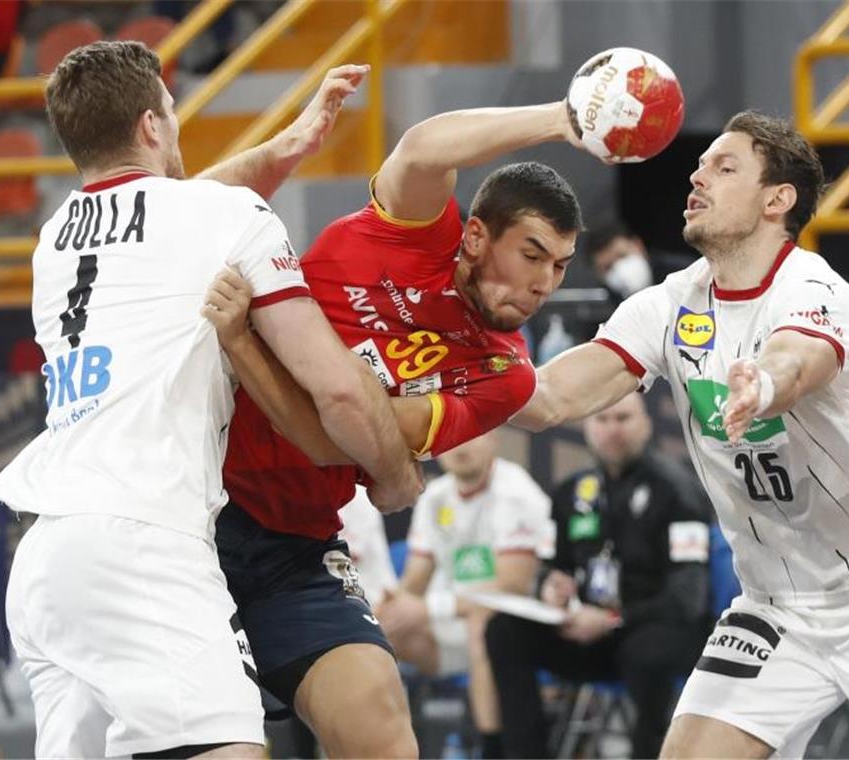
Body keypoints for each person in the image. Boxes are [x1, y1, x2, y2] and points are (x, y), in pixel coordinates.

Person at [0, 42, 420, 759]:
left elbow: (169, 209)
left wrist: (281, 151)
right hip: (143, 538)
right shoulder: (217, 216)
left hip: (45, 559)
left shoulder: (52, 242)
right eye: (172, 111)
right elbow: (339, 387)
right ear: (153, 125)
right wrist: (396, 472)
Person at [513, 110, 849, 758]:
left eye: (724, 167)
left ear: (777, 199)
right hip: (777, 605)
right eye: (700, 168)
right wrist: (449, 382)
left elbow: (795, 358)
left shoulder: (817, 290)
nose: (697, 178)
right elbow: (553, 395)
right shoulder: (665, 305)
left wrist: (763, 383)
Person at [201, 96, 590, 757]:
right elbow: (423, 147)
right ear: (474, 238)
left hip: (294, 542)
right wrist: (562, 119)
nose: (542, 284)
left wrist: (244, 343)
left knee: (384, 730)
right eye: (531, 254)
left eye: (559, 267)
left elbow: (335, 436)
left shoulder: (505, 372)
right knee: (221, 742)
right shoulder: (410, 231)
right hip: (196, 511)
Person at [487, 392, 712, 758]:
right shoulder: (573, 491)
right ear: (588, 426)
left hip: (657, 631)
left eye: (623, 419)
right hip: (590, 633)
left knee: (646, 652)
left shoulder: (676, 490)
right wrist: (550, 588)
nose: (612, 430)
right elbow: (549, 566)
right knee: (503, 631)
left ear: (646, 423)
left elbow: (687, 598)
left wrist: (614, 620)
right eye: (602, 419)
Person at [375, 432, 553, 760]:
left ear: (494, 440)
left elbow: (510, 585)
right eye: (452, 439)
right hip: (449, 624)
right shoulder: (435, 497)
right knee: (374, 632)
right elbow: (416, 578)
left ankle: (491, 748)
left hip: (516, 628)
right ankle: (380, 747)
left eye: (472, 436)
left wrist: (428, 607)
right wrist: (392, 606)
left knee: (483, 625)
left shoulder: (516, 491)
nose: (460, 447)